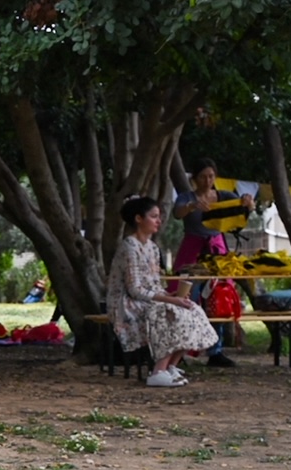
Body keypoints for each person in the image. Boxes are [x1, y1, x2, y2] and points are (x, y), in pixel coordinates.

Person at [107, 196, 220, 387]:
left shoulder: (152, 247)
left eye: (159, 216)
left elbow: (154, 284)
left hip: (147, 298)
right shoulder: (129, 247)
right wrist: (170, 301)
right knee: (165, 312)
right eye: (153, 216)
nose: (158, 221)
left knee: (192, 309)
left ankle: (170, 366)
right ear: (138, 219)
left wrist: (173, 296)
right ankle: (158, 370)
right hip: (127, 302)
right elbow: (134, 290)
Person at [171, 158, 254, 368]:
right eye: (202, 177)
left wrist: (247, 204)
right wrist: (192, 206)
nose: (207, 181)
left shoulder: (224, 196)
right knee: (187, 297)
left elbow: (240, 213)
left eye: (211, 176)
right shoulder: (186, 198)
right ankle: (180, 350)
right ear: (194, 179)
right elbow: (177, 212)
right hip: (192, 250)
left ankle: (215, 351)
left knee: (218, 298)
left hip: (217, 250)